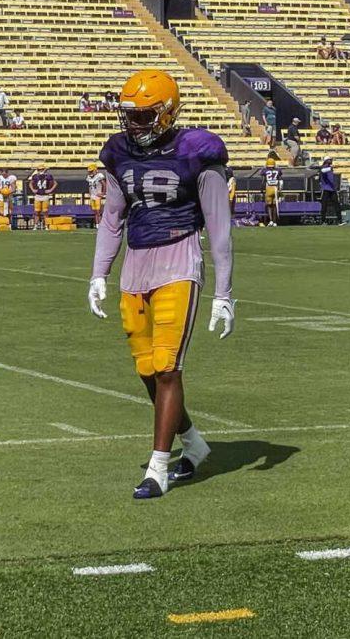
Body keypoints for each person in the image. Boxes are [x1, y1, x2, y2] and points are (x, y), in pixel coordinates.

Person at [87, 69, 234, 499]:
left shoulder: (196, 151)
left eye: (143, 115)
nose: (133, 125)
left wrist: (224, 293)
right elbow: (112, 217)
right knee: (148, 369)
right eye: (129, 115)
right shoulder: (118, 152)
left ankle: (158, 468)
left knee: (168, 366)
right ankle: (193, 443)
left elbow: (219, 228)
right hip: (136, 263)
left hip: (178, 259)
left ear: (168, 113)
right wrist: (99, 272)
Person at [29, 164, 57, 231]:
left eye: (41, 169)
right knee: (36, 212)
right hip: (38, 195)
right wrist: (33, 189)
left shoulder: (49, 176)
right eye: (39, 170)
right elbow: (30, 183)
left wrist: (50, 190)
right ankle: (35, 226)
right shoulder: (35, 176)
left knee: (45, 212)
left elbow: (55, 183)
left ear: (44, 170)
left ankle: (46, 226)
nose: (40, 171)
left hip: (45, 195)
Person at [317, 157, 340, 225]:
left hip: (332, 189)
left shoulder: (329, 168)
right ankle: (323, 221)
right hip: (326, 189)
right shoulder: (324, 167)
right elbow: (323, 170)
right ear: (326, 161)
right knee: (324, 205)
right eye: (330, 160)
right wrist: (331, 168)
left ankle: (340, 221)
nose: (331, 161)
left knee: (337, 204)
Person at [261, 157, 282, 226]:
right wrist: (280, 190)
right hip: (275, 188)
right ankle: (275, 222)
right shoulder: (278, 170)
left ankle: (271, 221)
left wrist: (261, 189)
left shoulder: (265, 170)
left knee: (269, 206)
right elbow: (280, 180)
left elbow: (263, 181)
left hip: (269, 188)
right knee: (275, 206)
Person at [86, 161, 106, 226]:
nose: (90, 172)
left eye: (91, 171)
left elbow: (104, 184)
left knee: (98, 212)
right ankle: (97, 225)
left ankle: (101, 224)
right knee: (95, 212)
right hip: (92, 196)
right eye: (90, 171)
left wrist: (103, 193)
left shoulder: (99, 176)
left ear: (95, 170)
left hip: (98, 196)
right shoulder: (89, 178)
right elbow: (90, 187)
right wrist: (90, 194)